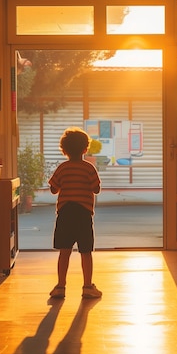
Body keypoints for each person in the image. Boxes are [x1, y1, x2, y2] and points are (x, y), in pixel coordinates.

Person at [48, 127, 102, 299]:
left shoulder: (62, 168)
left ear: (64, 150)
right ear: (85, 149)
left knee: (64, 251)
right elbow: (96, 188)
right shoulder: (89, 168)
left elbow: (53, 189)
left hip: (65, 213)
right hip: (83, 214)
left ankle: (60, 286)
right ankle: (87, 286)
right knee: (86, 251)